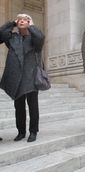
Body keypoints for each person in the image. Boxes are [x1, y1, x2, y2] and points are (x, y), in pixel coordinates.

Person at [0, 14, 45, 142]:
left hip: (31, 77)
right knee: (18, 107)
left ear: (30, 22)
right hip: (16, 78)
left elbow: (41, 37)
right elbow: (1, 33)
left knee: (33, 106)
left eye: (25, 19)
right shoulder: (13, 38)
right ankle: (21, 131)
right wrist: (12, 23)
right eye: (20, 19)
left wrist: (31, 26)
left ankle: (33, 131)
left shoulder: (35, 38)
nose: (22, 21)